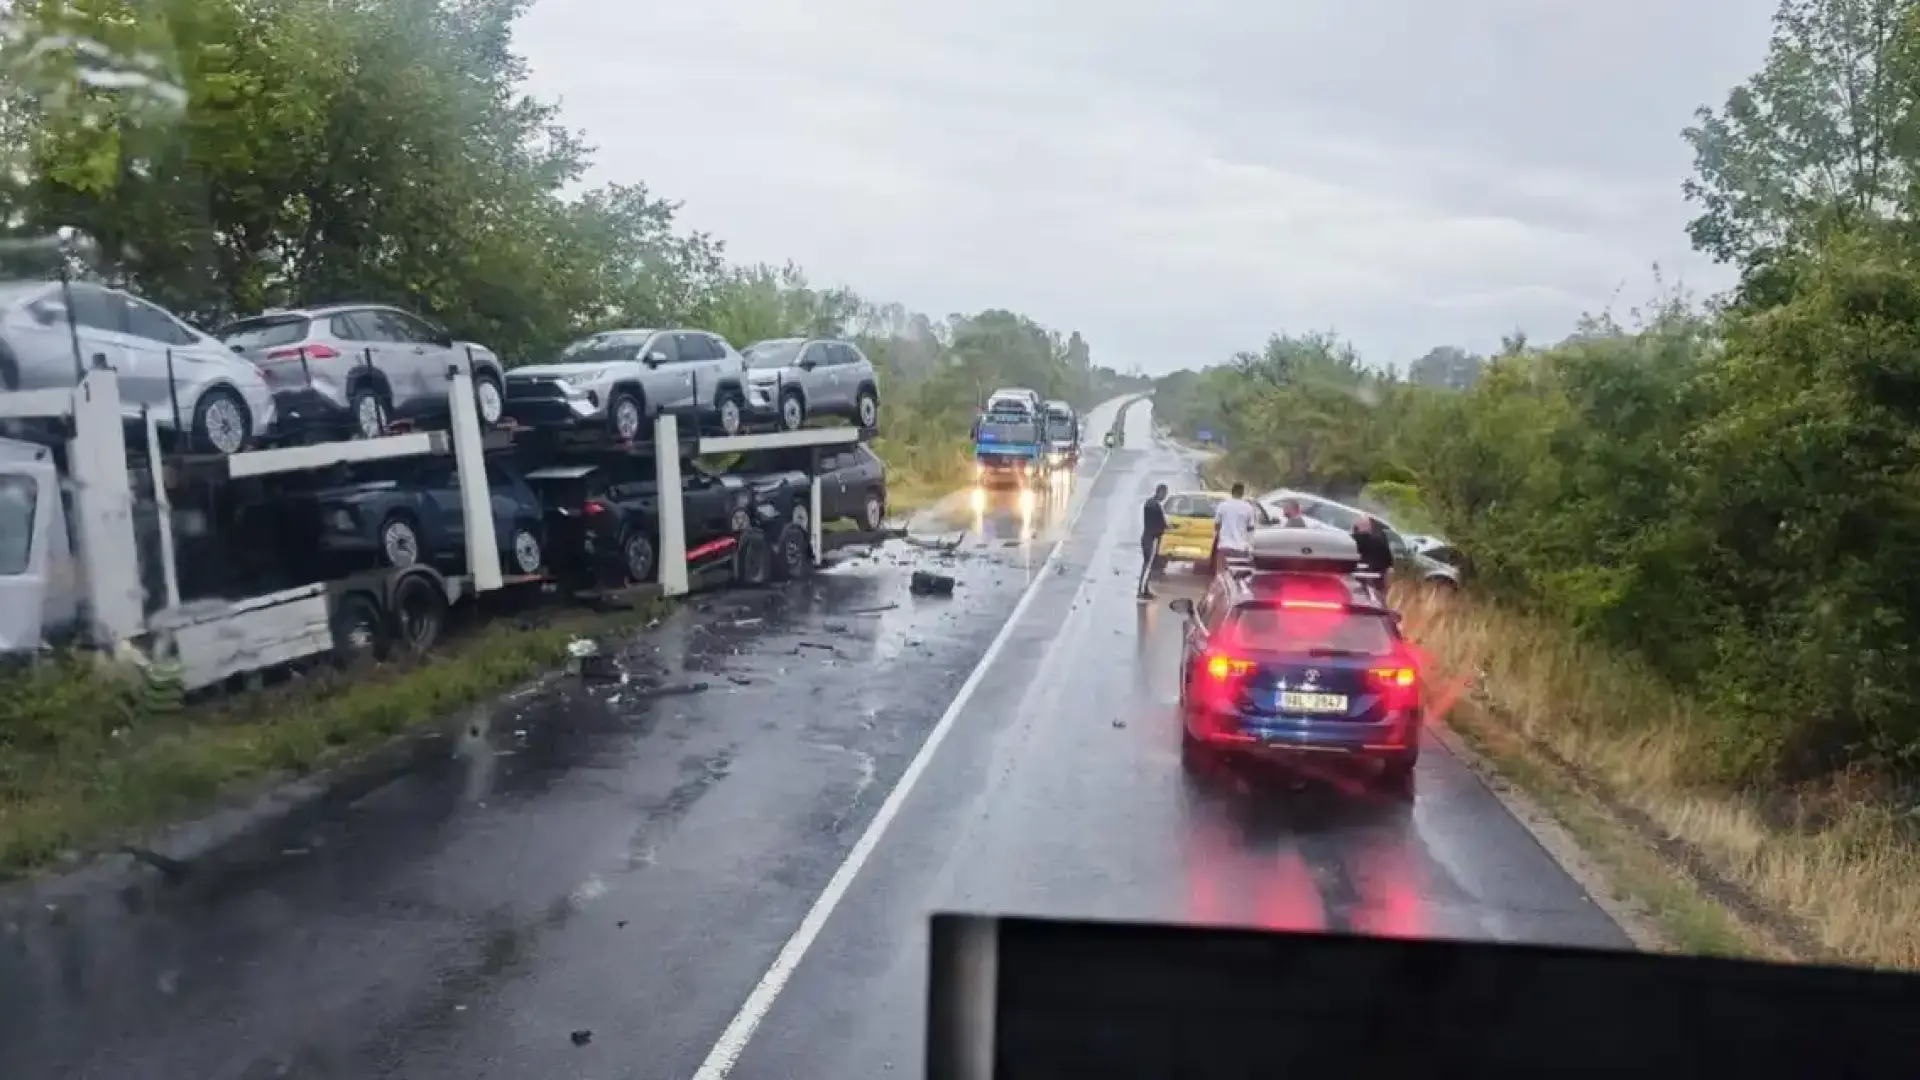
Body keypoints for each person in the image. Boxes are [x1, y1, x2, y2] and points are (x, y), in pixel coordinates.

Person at [1209, 483, 1259, 576]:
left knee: (1221, 576)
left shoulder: (1222, 506)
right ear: (1242, 493)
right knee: (1238, 578)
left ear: (1232, 492)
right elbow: (1251, 528)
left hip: (1224, 546)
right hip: (1240, 548)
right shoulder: (1248, 508)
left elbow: (1216, 525)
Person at [1138, 483, 1169, 598]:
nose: (1165, 496)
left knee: (1147, 564)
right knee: (1148, 565)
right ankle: (1142, 590)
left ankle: (1144, 588)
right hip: (1151, 539)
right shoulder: (1155, 506)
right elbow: (1162, 524)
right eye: (1165, 493)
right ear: (1160, 492)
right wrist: (1170, 527)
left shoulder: (1149, 503)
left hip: (1147, 537)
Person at [1352, 515, 1395, 586]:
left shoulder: (1352, 541)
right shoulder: (1383, 544)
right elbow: (1389, 564)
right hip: (1376, 581)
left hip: (1357, 579)